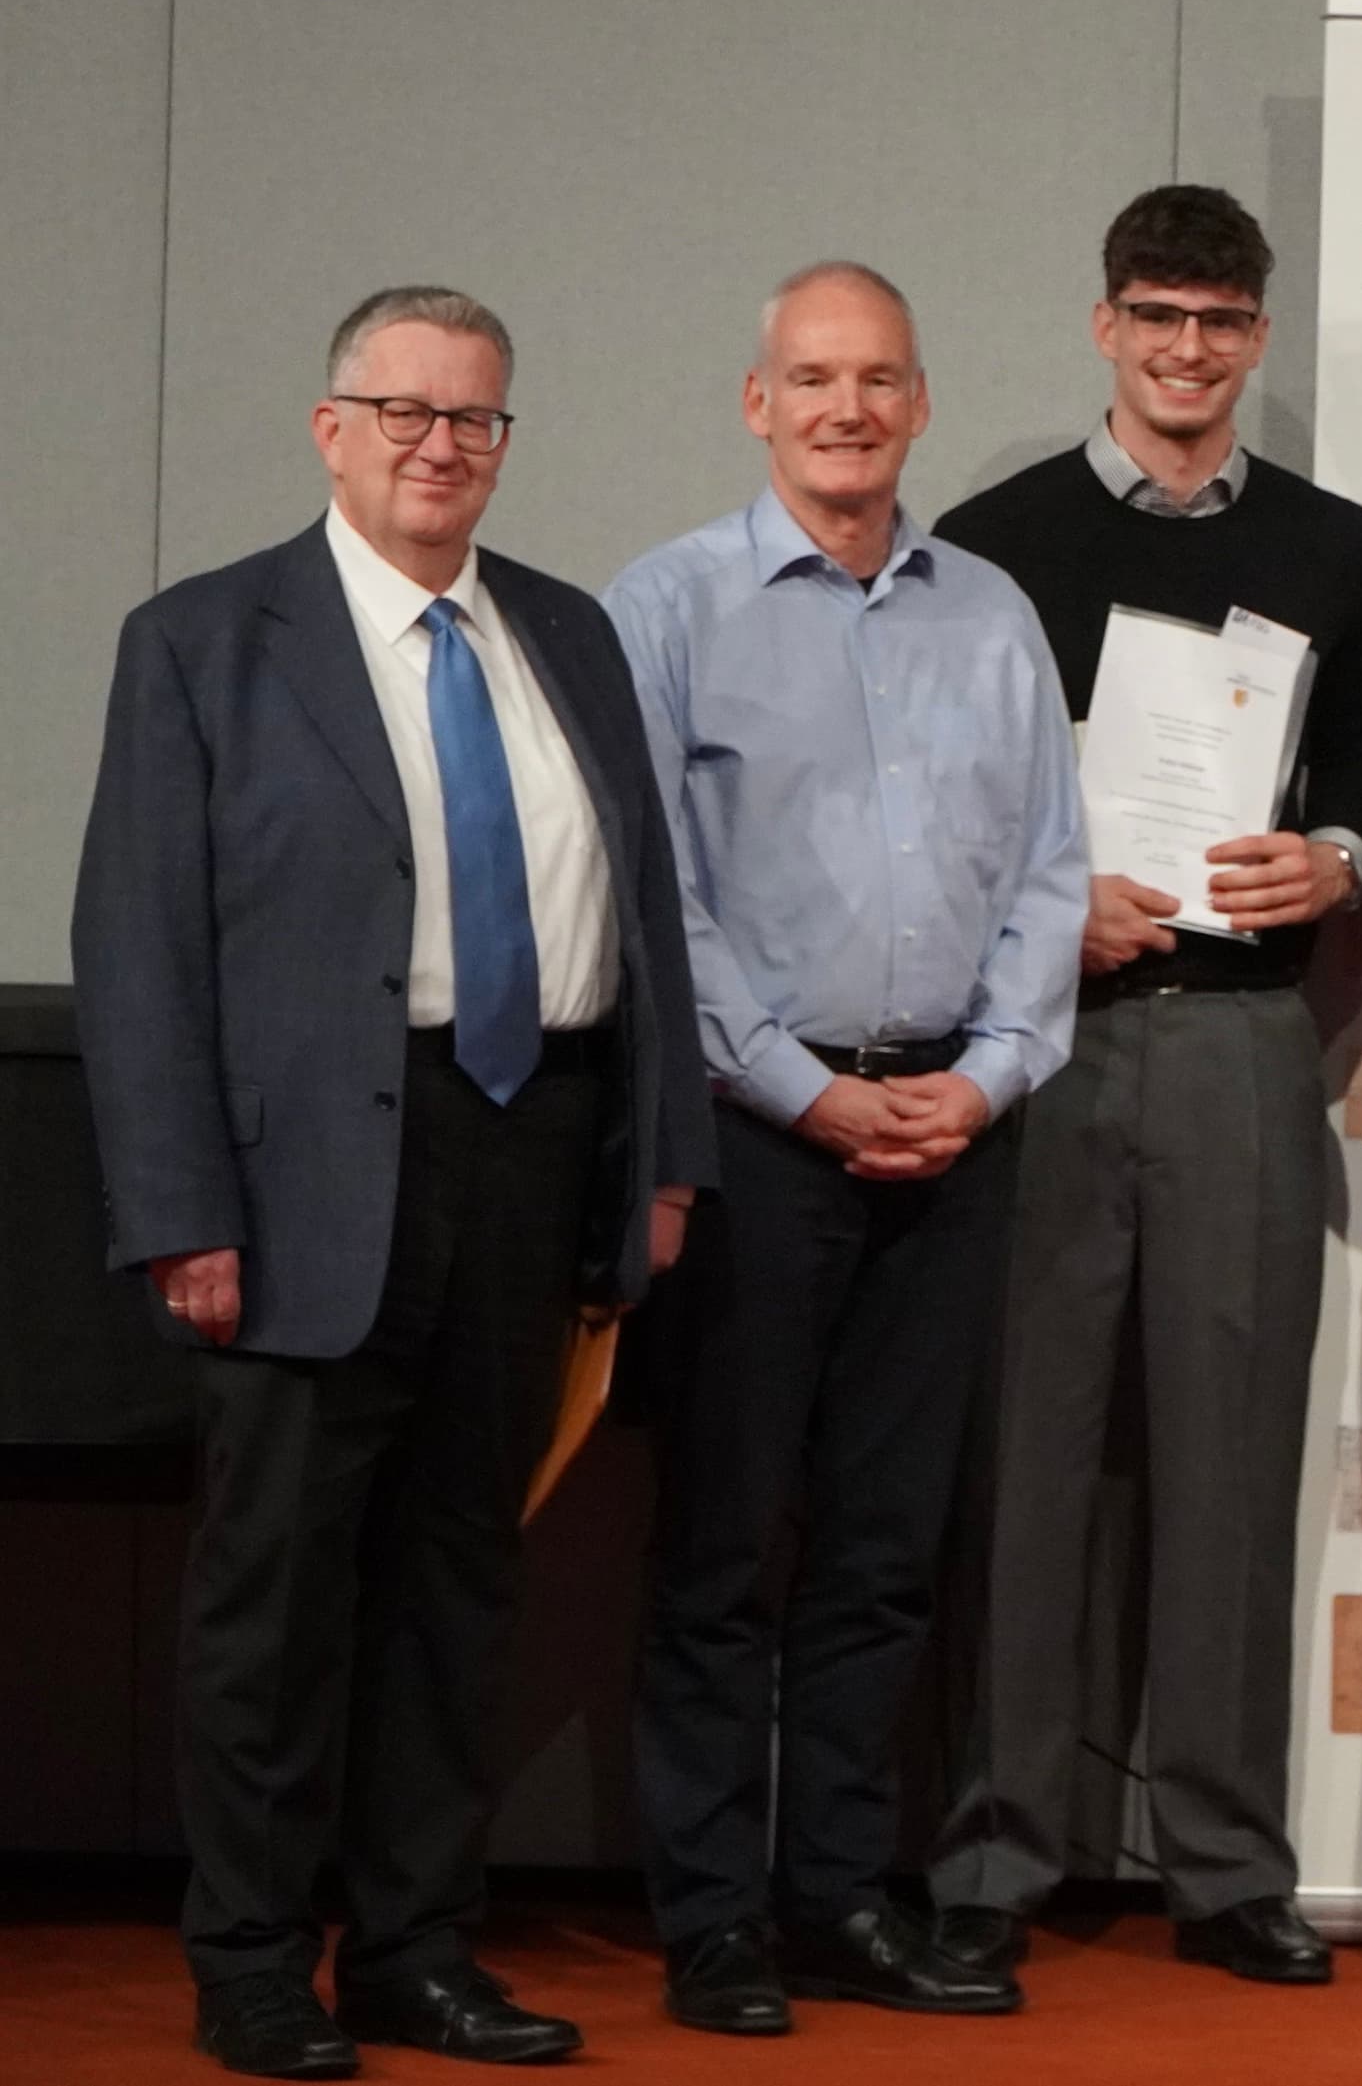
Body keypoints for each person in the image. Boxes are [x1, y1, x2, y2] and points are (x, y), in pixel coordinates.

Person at [75, 287, 711, 2082]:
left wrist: (657, 1162)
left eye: (477, 421)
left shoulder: (571, 636)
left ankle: (420, 1947)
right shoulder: (205, 640)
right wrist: (180, 1205)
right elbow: (135, 946)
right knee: (276, 1598)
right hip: (301, 1189)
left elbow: (642, 923)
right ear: (329, 426)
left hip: (531, 1149)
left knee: (457, 1586)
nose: (443, 446)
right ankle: (257, 1960)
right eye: (406, 411)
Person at [922, 186, 1362, 1988]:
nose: (1187, 348)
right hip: (1039, 1035)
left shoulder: (1337, 547)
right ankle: (993, 1856)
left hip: (1241, 1033)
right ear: (1104, 324)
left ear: (1259, 336)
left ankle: (1227, 1864)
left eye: (1219, 319)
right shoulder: (991, 537)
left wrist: (1332, 864)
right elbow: (949, 806)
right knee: (1023, 1457)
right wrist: (1046, 909)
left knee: (1231, 1458)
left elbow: (1353, 769)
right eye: (1156, 314)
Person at [607, 263, 1087, 2035]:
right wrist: (802, 1090)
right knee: (727, 1551)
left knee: (888, 1551)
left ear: (921, 402)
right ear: (757, 403)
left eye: (878, 378)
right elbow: (658, 897)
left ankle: (837, 1899)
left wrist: (988, 1076)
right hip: (758, 1142)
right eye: (813, 377)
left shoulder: (996, 615)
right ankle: (715, 1918)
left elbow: (1051, 870)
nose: (847, 408)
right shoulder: (664, 608)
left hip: (954, 1136)